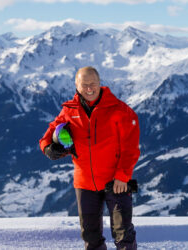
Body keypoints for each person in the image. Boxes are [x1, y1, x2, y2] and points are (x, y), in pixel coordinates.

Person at [39, 66, 140, 250]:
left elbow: (131, 148)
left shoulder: (120, 110)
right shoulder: (69, 111)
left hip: (116, 182)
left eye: (93, 83)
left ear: (100, 83)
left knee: (123, 234)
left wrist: (123, 176)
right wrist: (48, 148)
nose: (89, 88)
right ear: (76, 85)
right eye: (84, 84)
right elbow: (48, 136)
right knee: (90, 237)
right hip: (85, 183)